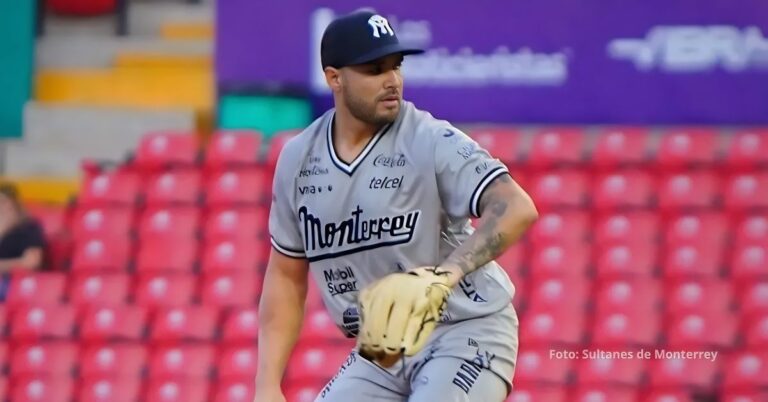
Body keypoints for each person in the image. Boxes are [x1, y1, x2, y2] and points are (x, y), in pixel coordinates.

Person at [255, 9, 538, 402]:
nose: (392, 80)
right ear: (334, 78)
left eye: (396, 66)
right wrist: (267, 385)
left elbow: (516, 206)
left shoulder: (430, 137)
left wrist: (446, 274)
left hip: (466, 328)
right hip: (380, 349)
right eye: (374, 69)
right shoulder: (298, 159)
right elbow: (286, 275)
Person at [0, 183, 46, 272]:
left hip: (14, 281)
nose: (2, 208)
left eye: (5, 203)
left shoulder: (29, 229)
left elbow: (32, 263)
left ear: (16, 206)